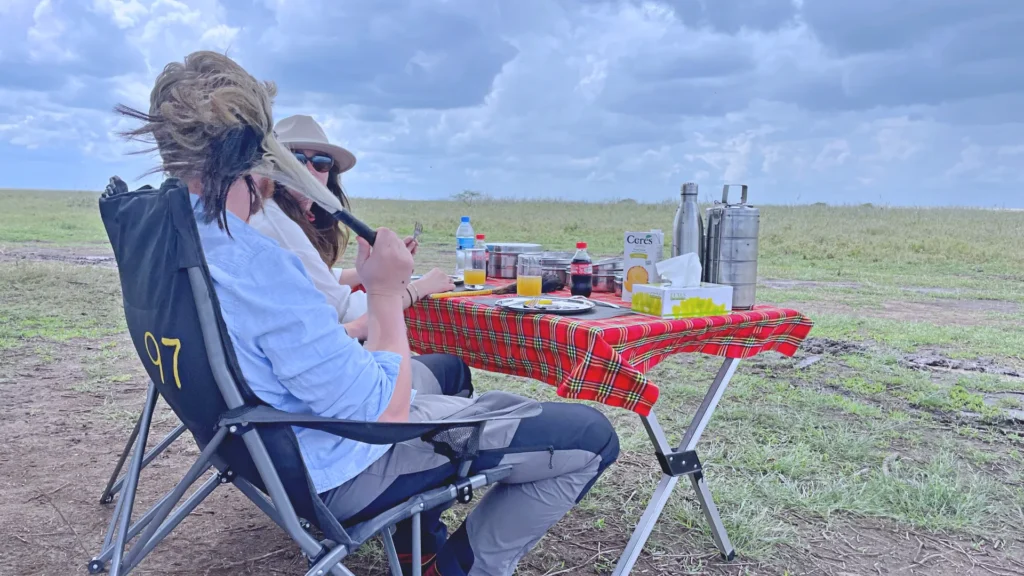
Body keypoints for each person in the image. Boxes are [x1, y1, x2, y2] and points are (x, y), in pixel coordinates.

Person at [115, 51, 619, 576]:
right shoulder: (255, 266)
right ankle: (453, 569)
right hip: (339, 468)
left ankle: (414, 539)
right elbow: (382, 414)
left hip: (253, 450)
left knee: (446, 374)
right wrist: (384, 292)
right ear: (260, 153)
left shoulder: (167, 238)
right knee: (588, 436)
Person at [248, 114, 466, 398]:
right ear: (273, 167)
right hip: (325, 387)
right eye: (296, 159)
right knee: (453, 368)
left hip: (288, 378)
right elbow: (349, 312)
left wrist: (369, 272)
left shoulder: (265, 216)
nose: (309, 170)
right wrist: (418, 286)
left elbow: (315, 278)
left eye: (321, 163)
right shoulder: (279, 225)